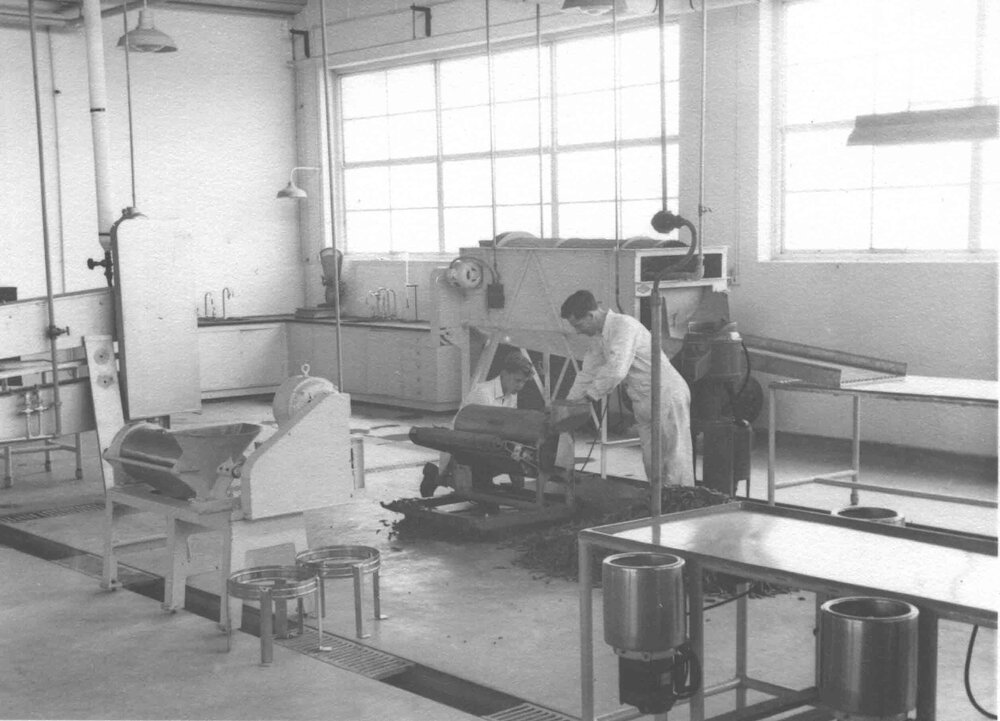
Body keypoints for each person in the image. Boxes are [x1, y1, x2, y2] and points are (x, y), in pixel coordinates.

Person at [560, 290, 694, 487]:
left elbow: (616, 370)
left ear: (591, 315)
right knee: (652, 463)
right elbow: (587, 373)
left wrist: (588, 398)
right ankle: (661, 506)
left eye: (579, 325)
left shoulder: (624, 326)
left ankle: (681, 508)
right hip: (643, 400)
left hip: (666, 394)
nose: (578, 331)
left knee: (674, 461)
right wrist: (568, 403)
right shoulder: (600, 336)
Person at [419, 350, 535, 497]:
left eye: (524, 382)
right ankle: (435, 476)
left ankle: (481, 484)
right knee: (472, 486)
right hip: (463, 446)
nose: (520, 386)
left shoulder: (511, 395)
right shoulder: (483, 393)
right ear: (504, 374)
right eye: (517, 380)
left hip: (484, 446)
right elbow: (477, 434)